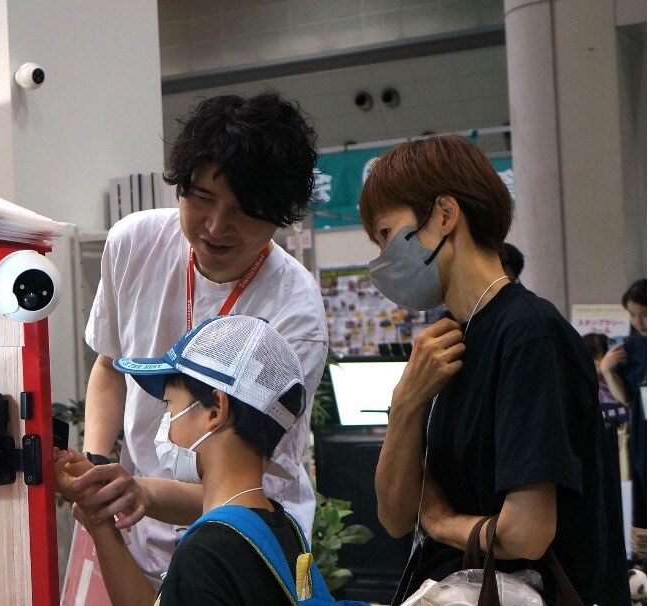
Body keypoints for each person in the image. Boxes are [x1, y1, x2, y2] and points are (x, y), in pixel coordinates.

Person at [361, 134, 628, 604]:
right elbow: (396, 516)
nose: (383, 260)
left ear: (445, 215)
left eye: (387, 234)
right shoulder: (449, 340)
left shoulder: (529, 334)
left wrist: (442, 523)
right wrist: (405, 404)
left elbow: (526, 533)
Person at [78, 92, 328, 586]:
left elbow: (251, 487)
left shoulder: (294, 314)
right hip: (137, 520)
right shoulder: (134, 244)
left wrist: (139, 491)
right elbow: (110, 367)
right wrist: (96, 465)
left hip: (243, 536)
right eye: (203, 198)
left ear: (281, 215)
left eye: (244, 211)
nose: (216, 227)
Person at [57, 315, 364, 606]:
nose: (166, 421)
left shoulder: (207, 550)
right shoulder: (282, 529)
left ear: (215, 410)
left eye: (169, 405)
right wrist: (100, 522)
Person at [620, 279, 646, 560]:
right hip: (642, 433)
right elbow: (626, 397)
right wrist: (607, 369)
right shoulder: (633, 346)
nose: (638, 321)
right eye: (632, 314)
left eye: (644, 314)